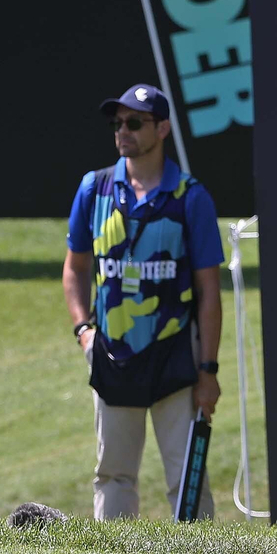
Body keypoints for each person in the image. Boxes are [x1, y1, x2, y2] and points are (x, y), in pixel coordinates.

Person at [62, 84, 223, 520]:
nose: (123, 131)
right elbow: (74, 268)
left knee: (186, 475)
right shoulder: (94, 189)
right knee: (112, 475)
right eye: (118, 123)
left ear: (163, 128)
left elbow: (210, 290)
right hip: (112, 354)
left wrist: (208, 370)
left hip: (175, 356)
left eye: (134, 122)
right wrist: (83, 331)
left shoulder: (191, 197)